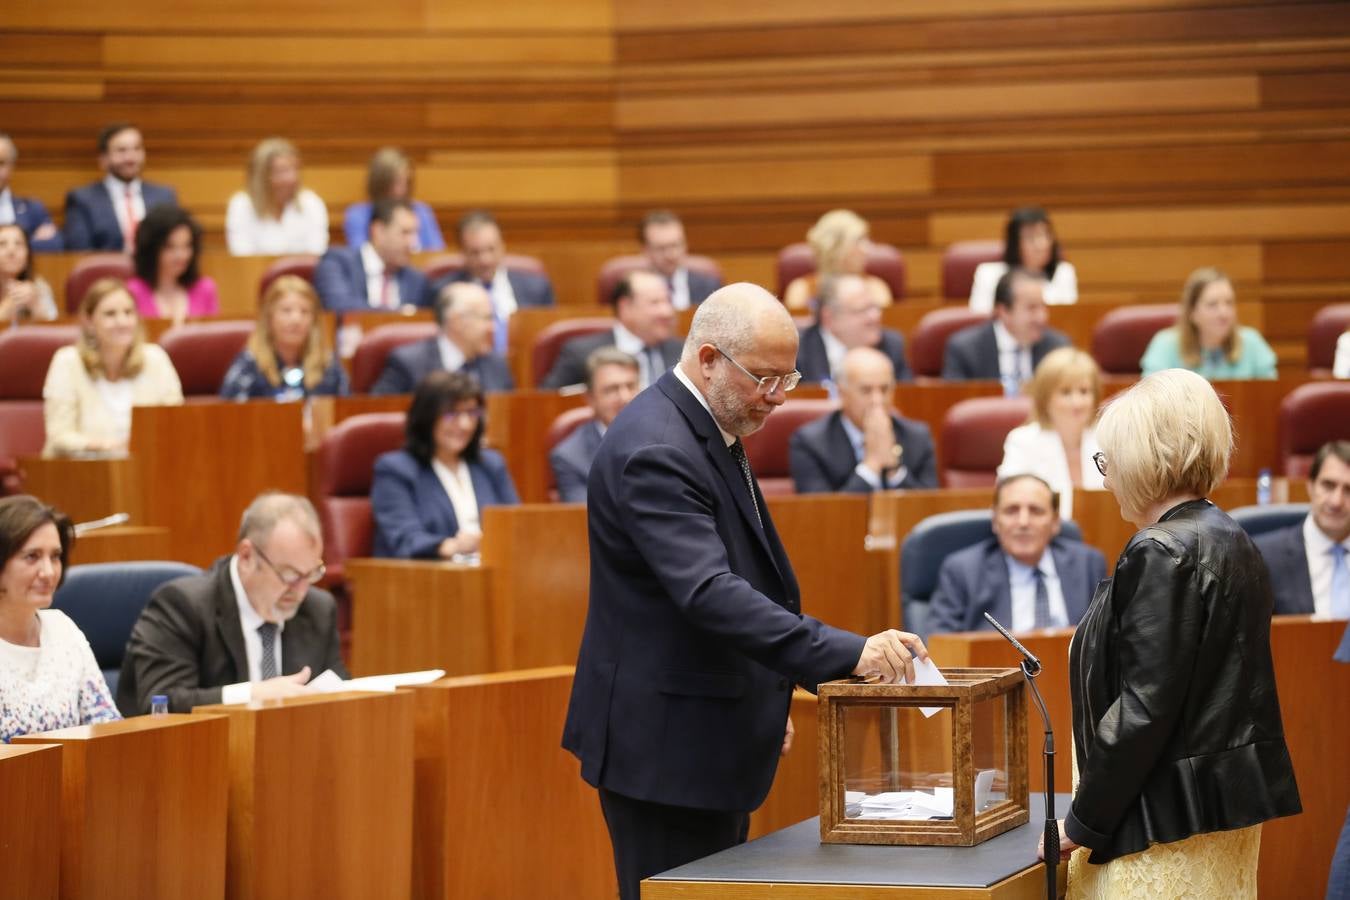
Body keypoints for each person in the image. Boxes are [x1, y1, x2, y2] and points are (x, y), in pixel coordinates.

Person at [561, 282, 931, 899]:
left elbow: (743, 579)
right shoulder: (657, 447)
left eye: (789, 378)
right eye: (765, 378)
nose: (778, 397)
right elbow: (709, 592)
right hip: (663, 751)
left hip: (701, 734)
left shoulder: (706, 423)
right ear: (708, 359)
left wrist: (765, 693)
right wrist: (849, 654)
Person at [1045, 368, 1301, 897]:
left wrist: (1079, 823)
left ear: (1144, 457)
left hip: (1159, 828)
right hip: (1212, 814)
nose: (1105, 478)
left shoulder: (1160, 550)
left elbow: (1144, 708)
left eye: (1109, 460)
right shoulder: (1232, 536)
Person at [117, 493, 346, 714]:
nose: (301, 590)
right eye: (289, 574)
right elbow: (162, 703)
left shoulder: (318, 609)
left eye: (311, 574)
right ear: (247, 556)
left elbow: (339, 692)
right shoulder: (182, 606)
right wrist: (251, 695)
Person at [0, 495, 120, 742]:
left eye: (55, 556)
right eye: (32, 556)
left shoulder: (63, 629)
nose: (48, 572)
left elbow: (108, 729)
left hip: (73, 779)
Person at [928, 474, 1105, 635]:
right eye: (1011, 510)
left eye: (1036, 511)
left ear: (1055, 522)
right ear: (995, 520)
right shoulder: (963, 571)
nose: (1023, 522)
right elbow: (938, 645)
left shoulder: (1088, 564)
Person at [370, 371, 519, 559]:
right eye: (452, 414)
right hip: (428, 578)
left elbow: (516, 527)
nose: (465, 424)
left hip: (493, 573)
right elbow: (406, 540)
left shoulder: (490, 464)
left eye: (471, 413)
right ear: (427, 417)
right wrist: (455, 546)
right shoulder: (395, 470)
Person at [42, 278, 183, 457]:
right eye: (110, 314)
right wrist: (103, 447)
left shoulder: (156, 359)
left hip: (145, 468)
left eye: (128, 312)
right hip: (82, 471)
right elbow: (59, 435)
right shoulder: (67, 362)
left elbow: (176, 423)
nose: (122, 322)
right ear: (89, 321)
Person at [789, 346, 936, 493]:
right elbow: (822, 513)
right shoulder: (810, 443)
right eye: (866, 391)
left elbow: (928, 508)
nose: (877, 400)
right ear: (841, 393)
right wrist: (871, 466)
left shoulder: (917, 437)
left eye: (884, 389)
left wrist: (893, 471)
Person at [997, 347, 1104, 519]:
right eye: (1065, 392)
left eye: (1084, 391)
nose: (1076, 402)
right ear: (1045, 398)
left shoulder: (1108, 439)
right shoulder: (1022, 441)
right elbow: (1010, 501)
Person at [429, 210, 555, 356]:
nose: (485, 260)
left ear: (503, 246)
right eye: (475, 252)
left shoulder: (537, 288)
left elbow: (547, 342)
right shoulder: (444, 291)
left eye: (491, 249)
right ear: (462, 253)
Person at [540, 269, 681, 390]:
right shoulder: (581, 354)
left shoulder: (683, 352)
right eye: (655, 303)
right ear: (625, 307)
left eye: (668, 301)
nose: (667, 312)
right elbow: (547, 406)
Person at [1254, 440, 1350, 617]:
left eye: (1349, 490)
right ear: (1310, 486)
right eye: (1328, 485)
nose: (1337, 501)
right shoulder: (1263, 557)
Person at [370, 281, 513, 395]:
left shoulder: (496, 366)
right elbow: (379, 415)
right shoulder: (408, 364)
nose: (492, 328)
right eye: (486, 318)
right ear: (457, 321)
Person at [219, 276, 348, 400]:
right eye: (286, 311)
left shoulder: (328, 365)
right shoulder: (249, 365)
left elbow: (345, 413)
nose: (296, 320)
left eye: (305, 312)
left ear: (314, 321)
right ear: (269, 317)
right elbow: (229, 416)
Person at [943, 267, 1071, 393]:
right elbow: (955, 405)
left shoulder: (1057, 347)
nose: (1042, 317)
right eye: (1032, 308)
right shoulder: (965, 350)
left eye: (1043, 307)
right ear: (1003, 311)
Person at [1140, 267, 1277, 379]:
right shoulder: (1165, 345)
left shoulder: (1252, 342)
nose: (1224, 313)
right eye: (1212, 305)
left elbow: (1269, 397)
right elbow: (1151, 400)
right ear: (1192, 312)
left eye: (1229, 303)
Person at [63, 123, 177, 252]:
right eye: (122, 150)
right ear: (103, 159)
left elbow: (175, 244)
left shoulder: (164, 196)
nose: (131, 158)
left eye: (137, 149)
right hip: (106, 271)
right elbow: (78, 251)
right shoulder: (82, 199)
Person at [549, 348, 639, 503]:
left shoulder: (668, 438)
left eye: (630, 386)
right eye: (611, 389)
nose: (625, 397)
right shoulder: (570, 457)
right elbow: (585, 517)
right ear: (590, 398)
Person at [314, 199, 430, 313]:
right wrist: (399, 313)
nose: (413, 243)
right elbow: (338, 306)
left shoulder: (415, 279)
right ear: (378, 231)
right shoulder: (338, 263)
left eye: (415, 233)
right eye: (405, 233)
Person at [795, 273, 911, 384]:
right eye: (863, 310)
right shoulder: (799, 354)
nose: (875, 316)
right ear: (829, 318)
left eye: (874, 307)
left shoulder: (892, 346)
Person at [225, 137, 329, 256]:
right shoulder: (241, 205)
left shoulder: (311, 203)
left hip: (303, 274)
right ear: (262, 177)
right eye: (282, 171)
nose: (292, 178)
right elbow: (241, 255)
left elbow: (316, 253)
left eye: (295, 169)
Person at [969, 206, 1077, 313]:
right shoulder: (988, 276)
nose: (1041, 244)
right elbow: (979, 319)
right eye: (1030, 237)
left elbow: (1067, 318)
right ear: (1015, 244)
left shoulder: (1063, 273)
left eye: (1045, 235)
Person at [125, 204, 220, 327]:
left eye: (187, 245)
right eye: (170, 247)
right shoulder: (133, 291)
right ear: (151, 249)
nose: (181, 255)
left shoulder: (205, 288)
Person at [783, 209, 892, 312]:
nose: (867, 249)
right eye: (858, 241)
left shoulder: (876, 289)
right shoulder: (801, 291)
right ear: (834, 248)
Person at [342, 147, 445, 252]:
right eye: (395, 182)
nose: (401, 190)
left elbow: (435, 251)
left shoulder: (421, 211)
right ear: (380, 182)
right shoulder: (358, 214)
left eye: (406, 182)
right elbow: (359, 256)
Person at [638, 210, 720, 309]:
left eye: (675, 246)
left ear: (685, 244)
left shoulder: (708, 286)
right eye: (661, 248)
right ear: (645, 250)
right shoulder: (634, 290)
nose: (670, 255)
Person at [0, 134, 62, 252]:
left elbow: (55, 245)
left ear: (12, 167)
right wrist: (27, 242)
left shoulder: (32, 209)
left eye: (1, 163)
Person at [0, 223, 57, 325]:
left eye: (19, 244)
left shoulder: (39, 285)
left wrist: (36, 305)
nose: (12, 251)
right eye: (2, 244)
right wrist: (7, 306)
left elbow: (53, 331)